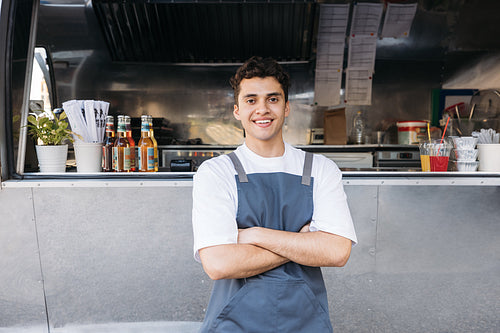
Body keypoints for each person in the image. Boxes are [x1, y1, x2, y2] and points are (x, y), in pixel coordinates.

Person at [192, 56, 357, 333]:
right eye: (251, 100)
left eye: (272, 99)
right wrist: (302, 243)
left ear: (287, 106)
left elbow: (337, 252)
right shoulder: (216, 172)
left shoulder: (321, 169)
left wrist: (255, 235)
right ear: (237, 110)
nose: (262, 109)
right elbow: (219, 264)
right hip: (233, 326)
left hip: (307, 324)